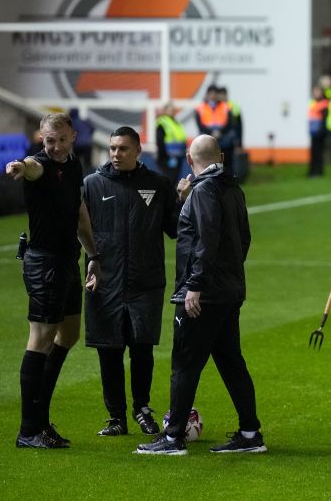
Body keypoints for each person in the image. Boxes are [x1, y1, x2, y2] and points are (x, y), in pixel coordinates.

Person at [136, 135, 266, 455]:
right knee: (231, 362)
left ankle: (173, 438)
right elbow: (243, 239)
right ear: (220, 156)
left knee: (185, 364)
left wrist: (196, 284)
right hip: (228, 290)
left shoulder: (205, 190)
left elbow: (204, 238)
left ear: (190, 160)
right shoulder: (233, 188)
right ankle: (250, 434)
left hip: (203, 295)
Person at [5, 112, 102, 449]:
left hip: (67, 261)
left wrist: (93, 255)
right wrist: (19, 166)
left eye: (62, 140)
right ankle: (29, 429)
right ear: (41, 138)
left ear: (73, 136)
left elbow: (79, 214)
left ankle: (40, 420)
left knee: (70, 334)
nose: (57, 147)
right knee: (41, 339)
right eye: (50, 140)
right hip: (43, 262)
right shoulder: (39, 164)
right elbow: (31, 166)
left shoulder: (73, 166)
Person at [83, 127, 181, 437]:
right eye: (112, 148)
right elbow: (78, 232)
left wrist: (186, 201)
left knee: (142, 348)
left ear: (138, 151)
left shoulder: (158, 185)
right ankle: (116, 418)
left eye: (123, 149)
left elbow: (176, 229)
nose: (116, 154)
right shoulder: (91, 185)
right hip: (104, 281)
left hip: (145, 282)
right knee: (108, 349)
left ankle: (142, 409)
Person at [194, 85, 234, 169]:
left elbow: (229, 123)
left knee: (225, 161)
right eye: (211, 94)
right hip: (207, 137)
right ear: (207, 95)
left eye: (215, 94)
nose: (213, 96)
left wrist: (220, 132)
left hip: (223, 137)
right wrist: (211, 133)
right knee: (208, 162)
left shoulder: (225, 106)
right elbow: (200, 124)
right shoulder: (201, 107)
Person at [155, 103, 188, 185]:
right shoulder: (163, 122)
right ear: (165, 110)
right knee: (169, 180)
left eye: (174, 109)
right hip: (168, 157)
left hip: (178, 156)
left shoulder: (176, 122)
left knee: (175, 180)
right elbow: (160, 141)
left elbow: (181, 138)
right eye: (170, 109)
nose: (173, 111)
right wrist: (165, 157)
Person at [307, 84, 329, 177]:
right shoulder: (312, 102)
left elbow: (324, 118)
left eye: (318, 91)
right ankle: (312, 171)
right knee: (313, 152)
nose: (316, 93)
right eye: (315, 91)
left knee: (318, 152)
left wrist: (321, 129)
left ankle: (319, 171)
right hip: (313, 129)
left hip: (320, 130)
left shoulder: (324, 103)